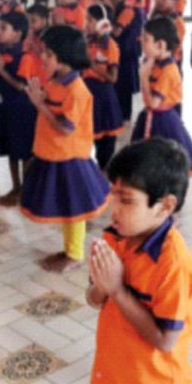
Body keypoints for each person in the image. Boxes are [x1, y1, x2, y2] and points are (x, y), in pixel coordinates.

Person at [83, 139, 192, 384]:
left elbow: (165, 340)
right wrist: (102, 285)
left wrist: (118, 290)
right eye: (113, 195)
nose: (114, 209)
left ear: (164, 206)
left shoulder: (174, 264)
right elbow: (93, 297)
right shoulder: (115, 237)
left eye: (126, 200)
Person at [20, 25, 111, 273]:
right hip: (53, 153)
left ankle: (75, 254)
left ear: (65, 57)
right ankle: (69, 249)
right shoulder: (55, 81)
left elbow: (66, 127)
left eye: (48, 54)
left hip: (70, 157)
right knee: (66, 205)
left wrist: (40, 105)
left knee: (74, 208)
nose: (42, 58)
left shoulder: (76, 89)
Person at [134, 16, 192, 175]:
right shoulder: (154, 63)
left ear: (160, 45)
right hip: (151, 116)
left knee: (164, 162)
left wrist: (143, 77)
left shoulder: (169, 70)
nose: (142, 43)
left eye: (146, 40)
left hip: (163, 120)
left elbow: (153, 103)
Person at [0, 13, 32, 205]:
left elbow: (21, 86)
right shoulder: (1, 52)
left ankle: (27, 190)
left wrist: (1, 71)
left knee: (23, 150)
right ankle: (16, 186)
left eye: (4, 28)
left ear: (18, 33)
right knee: (10, 148)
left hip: (20, 109)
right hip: (4, 105)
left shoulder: (25, 57)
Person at [84, 4, 125, 169]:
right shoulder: (87, 43)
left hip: (103, 97)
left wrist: (93, 67)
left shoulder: (111, 46)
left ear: (102, 23)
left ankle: (104, 173)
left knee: (105, 146)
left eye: (90, 20)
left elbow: (113, 78)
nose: (86, 24)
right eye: (86, 20)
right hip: (88, 94)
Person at [108, 0, 142, 123]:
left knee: (123, 86)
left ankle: (123, 118)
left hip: (125, 54)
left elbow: (116, 32)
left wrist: (101, 26)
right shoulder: (116, 8)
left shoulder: (127, 10)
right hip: (117, 53)